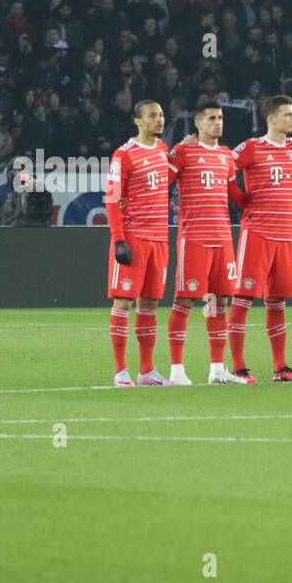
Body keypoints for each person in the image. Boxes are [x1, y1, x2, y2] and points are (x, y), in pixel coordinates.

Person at [228, 94, 292, 383]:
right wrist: (243, 202)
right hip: (258, 233)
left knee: (277, 301)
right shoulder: (251, 148)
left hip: (286, 235)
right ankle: (238, 368)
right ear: (271, 119)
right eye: (288, 114)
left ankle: (281, 368)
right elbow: (225, 168)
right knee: (243, 299)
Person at [164, 99, 244, 386]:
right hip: (194, 237)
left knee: (218, 301)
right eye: (211, 118)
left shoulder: (226, 156)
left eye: (220, 117)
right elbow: (163, 182)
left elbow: (236, 194)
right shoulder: (183, 152)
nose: (218, 123)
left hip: (222, 238)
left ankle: (217, 370)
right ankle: (176, 370)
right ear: (198, 124)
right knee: (184, 300)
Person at [105, 99, 172, 387]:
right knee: (124, 302)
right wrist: (118, 238)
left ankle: (147, 371)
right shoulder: (124, 155)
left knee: (150, 305)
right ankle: (121, 371)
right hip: (134, 237)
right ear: (138, 121)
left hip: (160, 238)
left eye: (161, 115)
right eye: (153, 115)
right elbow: (111, 198)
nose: (159, 120)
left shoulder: (162, 149)